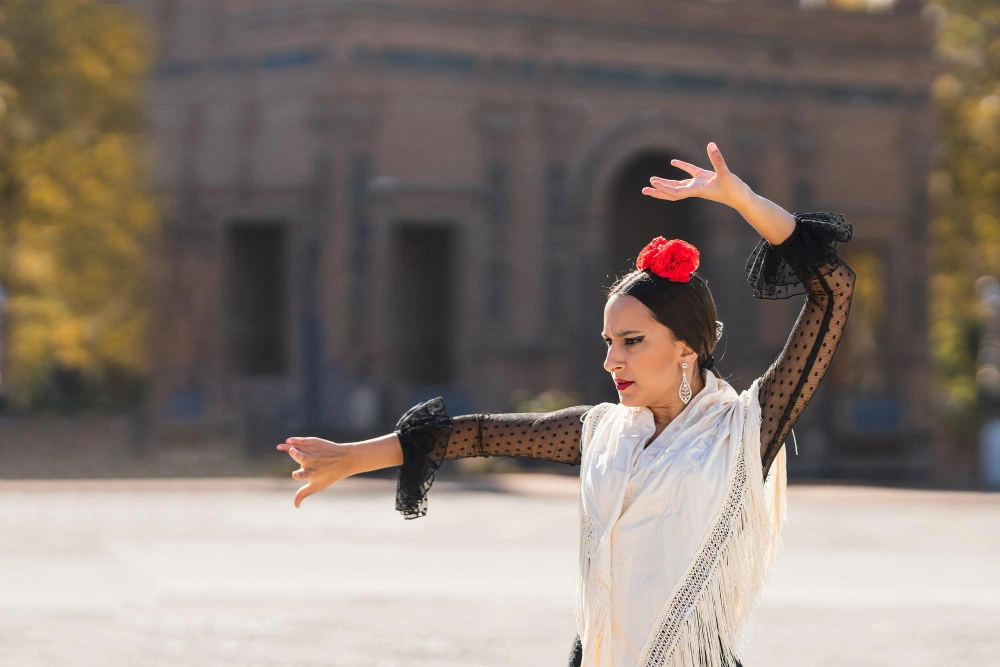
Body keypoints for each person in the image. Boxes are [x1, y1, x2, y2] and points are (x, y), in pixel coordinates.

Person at [277, 142, 856, 667]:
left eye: (632, 342)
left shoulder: (743, 432)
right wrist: (353, 458)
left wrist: (743, 199)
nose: (613, 361)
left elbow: (832, 290)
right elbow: (477, 434)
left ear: (684, 348)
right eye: (609, 342)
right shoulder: (601, 432)